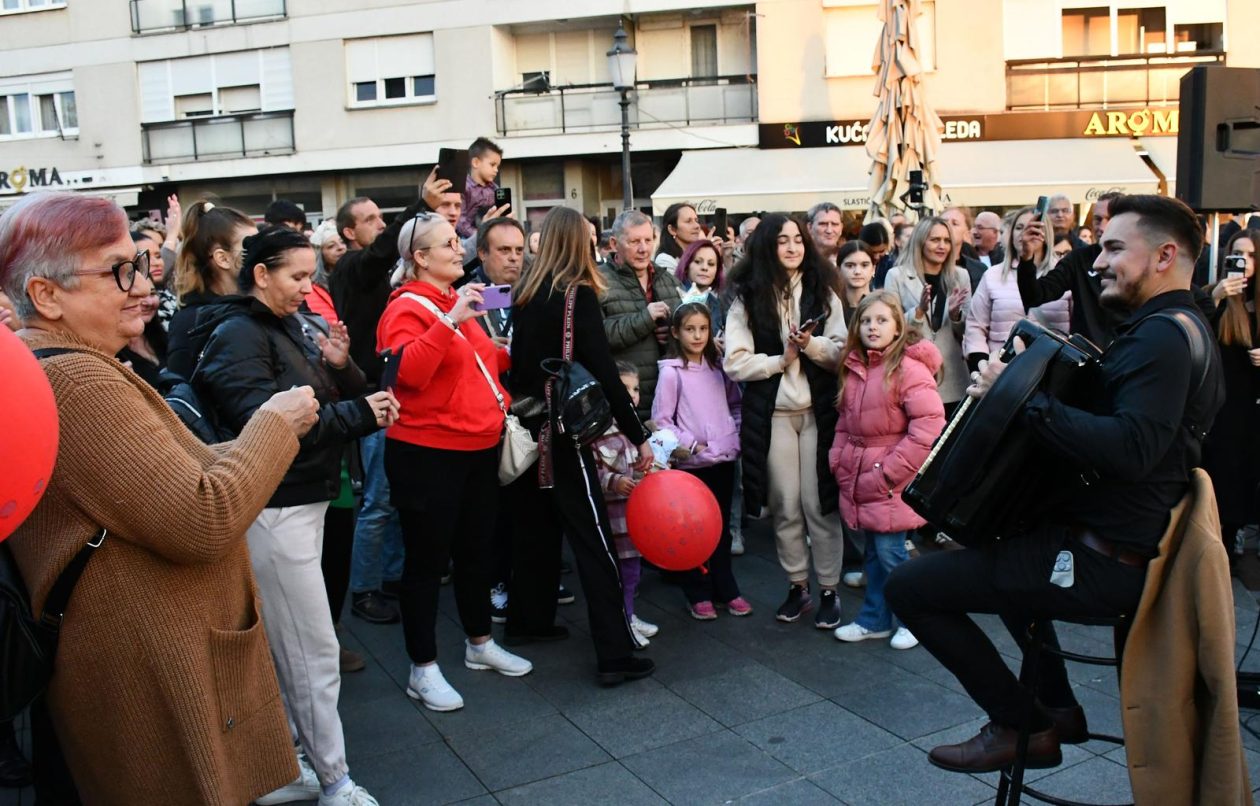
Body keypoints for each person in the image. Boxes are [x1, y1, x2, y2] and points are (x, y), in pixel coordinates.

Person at [0, 191, 322, 804]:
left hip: (143, 659)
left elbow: (189, 469)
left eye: (139, 265)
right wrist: (274, 425)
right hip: (147, 673)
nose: (141, 284)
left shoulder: (79, 362)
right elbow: (203, 516)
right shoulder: (74, 377)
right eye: (119, 270)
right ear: (46, 296)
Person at [886, 194, 1225, 773]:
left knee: (909, 589)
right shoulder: (1177, 328)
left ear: (1166, 255)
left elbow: (1130, 451)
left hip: (1102, 563)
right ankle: (1058, 707)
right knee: (997, 543)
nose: (1097, 261)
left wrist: (1018, 399)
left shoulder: (1162, 337)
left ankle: (1025, 726)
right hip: (1106, 544)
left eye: (1115, 248)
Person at [193, 226, 395, 806]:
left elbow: (317, 402)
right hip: (274, 510)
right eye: (298, 277)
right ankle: (334, 781)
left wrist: (345, 380)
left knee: (297, 653)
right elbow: (269, 428)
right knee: (310, 656)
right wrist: (358, 412)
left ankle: (290, 768)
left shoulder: (280, 326)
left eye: (312, 276)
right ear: (261, 275)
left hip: (297, 502)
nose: (308, 290)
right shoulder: (238, 334)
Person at [374, 211, 534, 712]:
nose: (458, 249)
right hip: (427, 454)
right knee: (425, 564)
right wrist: (449, 322)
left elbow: (485, 363)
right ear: (420, 258)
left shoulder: (453, 301)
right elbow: (410, 375)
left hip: (476, 450)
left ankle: (479, 644)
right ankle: (422, 668)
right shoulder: (405, 308)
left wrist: (517, 349)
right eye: (447, 243)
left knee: (476, 553)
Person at [505, 205, 656, 685]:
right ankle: (614, 653)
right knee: (595, 542)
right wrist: (638, 434)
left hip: (530, 429)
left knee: (535, 530)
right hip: (567, 436)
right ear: (580, 244)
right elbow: (607, 373)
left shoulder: (527, 293)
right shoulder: (578, 294)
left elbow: (519, 367)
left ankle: (529, 621)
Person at [330, 174, 449, 626]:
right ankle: (364, 589)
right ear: (348, 232)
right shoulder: (353, 267)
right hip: (372, 397)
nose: (380, 227)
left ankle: (394, 577)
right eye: (370, 220)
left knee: (398, 496)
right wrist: (419, 204)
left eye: (383, 218)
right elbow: (384, 251)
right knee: (378, 500)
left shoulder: (384, 275)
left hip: (395, 395)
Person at [724, 212, 846, 627]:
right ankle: (798, 585)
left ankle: (829, 588)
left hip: (819, 411)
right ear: (767, 247)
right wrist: (781, 359)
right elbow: (735, 363)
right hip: (773, 415)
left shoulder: (822, 290)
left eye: (797, 238)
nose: (793, 246)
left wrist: (811, 346)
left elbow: (843, 352)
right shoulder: (746, 297)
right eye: (782, 240)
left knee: (820, 503)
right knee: (785, 505)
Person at [828, 291, 945, 650]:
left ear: (898, 325)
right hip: (862, 474)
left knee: (894, 556)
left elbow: (928, 424)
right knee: (875, 555)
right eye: (866, 321)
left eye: (881, 320)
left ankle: (914, 620)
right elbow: (846, 424)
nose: (873, 327)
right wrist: (839, 458)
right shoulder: (857, 367)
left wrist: (888, 472)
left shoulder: (908, 369)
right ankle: (874, 619)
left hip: (889, 479)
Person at [653, 302, 749, 620]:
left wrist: (731, 438)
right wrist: (692, 445)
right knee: (694, 530)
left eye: (703, 329)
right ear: (677, 333)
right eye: (690, 329)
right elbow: (662, 420)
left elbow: (735, 406)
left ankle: (726, 587)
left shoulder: (720, 367)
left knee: (721, 528)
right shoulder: (671, 372)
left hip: (723, 459)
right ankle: (697, 591)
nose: (697, 335)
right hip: (693, 466)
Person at [592, 362, 660, 648]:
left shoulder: (635, 430)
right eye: (624, 389)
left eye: (635, 389)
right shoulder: (599, 429)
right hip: (615, 519)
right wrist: (614, 481)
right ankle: (623, 620)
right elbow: (593, 471)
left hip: (635, 520)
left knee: (633, 572)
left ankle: (629, 615)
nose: (632, 395)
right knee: (619, 575)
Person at [1203, 229, 1260, 557]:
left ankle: (1238, 534)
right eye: (1238, 254)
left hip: (1253, 405)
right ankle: (1222, 541)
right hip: (1225, 405)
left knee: (1247, 473)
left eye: (1251, 255)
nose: (1244, 262)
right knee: (1224, 473)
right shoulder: (1217, 297)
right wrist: (1217, 297)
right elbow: (1199, 331)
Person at [963, 206, 1071, 374]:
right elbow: (975, 327)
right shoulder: (993, 275)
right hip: (1003, 370)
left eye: (1033, 228)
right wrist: (983, 366)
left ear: (1046, 234)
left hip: (1053, 369)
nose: (1025, 234)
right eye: (1019, 228)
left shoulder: (1064, 275)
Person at [601, 209, 684, 420]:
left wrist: (675, 336)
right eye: (634, 241)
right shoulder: (598, 282)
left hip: (671, 405)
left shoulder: (668, 280)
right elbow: (598, 337)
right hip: (623, 404)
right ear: (613, 244)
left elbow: (690, 330)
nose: (643, 249)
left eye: (648, 240)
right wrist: (645, 319)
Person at [884, 217, 971, 416]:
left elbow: (969, 331)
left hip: (953, 375)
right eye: (935, 240)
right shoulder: (896, 276)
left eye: (947, 240)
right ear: (920, 241)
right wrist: (919, 311)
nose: (942, 246)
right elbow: (891, 328)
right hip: (913, 374)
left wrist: (955, 316)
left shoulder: (960, 276)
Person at [1016, 192, 1124, 348]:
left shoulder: (1140, 259)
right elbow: (1034, 296)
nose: (1102, 226)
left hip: (1129, 357)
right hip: (1087, 359)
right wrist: (1027, 257)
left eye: (1109, 219)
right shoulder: (1079, 259)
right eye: (1097, 219)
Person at [165, 201, 256, 378]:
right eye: (250, 247)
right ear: (222, 258)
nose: (261, 253)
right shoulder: (191, 321)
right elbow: (182, 387)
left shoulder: (255, 304)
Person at [116, 286, 167, 387]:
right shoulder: (113, 352)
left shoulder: (163, 335)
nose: (149, 302)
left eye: (152, 293)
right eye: (137, 296)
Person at [674, 238, 727, 334]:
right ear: (686, 266)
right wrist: (710, 342)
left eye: (711, 264)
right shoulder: (674, 297)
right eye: (698, 262)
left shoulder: (717, 304)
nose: (704, 268)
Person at [455, 137, 504, 239]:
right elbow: (461, 221)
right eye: (492, 165)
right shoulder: (463, 188)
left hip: (490, 235)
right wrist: (478, 236)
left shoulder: (495, 189)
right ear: (476, 163)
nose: (496, 170)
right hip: (466, 238)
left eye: (497, 166)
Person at [655, 202, 719, 272]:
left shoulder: (696, 254)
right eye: (688, 221)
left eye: (696, 220)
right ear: (672, 229)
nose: (697, 226)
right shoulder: (665, 260)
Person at [307, 219, 346, 322]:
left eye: (342, 242)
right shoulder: (310, 289)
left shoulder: (360, 278)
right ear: (320, 255)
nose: (340, 248)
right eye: (331, 246)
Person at [941, 207, 987, 292]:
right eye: (943, 223)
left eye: (954, 223)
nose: (947, 227)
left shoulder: (979, 270)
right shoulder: (929, 265)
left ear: (967, 233)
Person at [836, 241, 875, 327]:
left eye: (864, 265)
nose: (857, 272)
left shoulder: (883, 305)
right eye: (850, 266)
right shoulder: (831, 307)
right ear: (838, 270)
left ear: (873, 269)